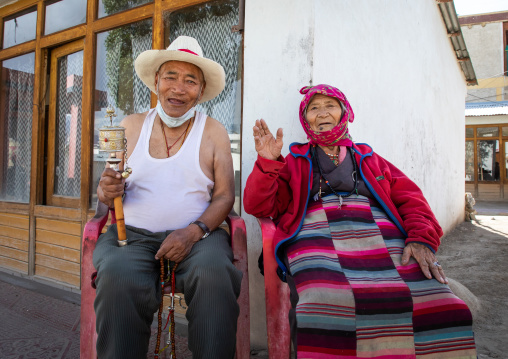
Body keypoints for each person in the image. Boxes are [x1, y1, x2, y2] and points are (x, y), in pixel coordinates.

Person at [244, 84, 477, 358]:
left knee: (437, 300)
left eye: (330, 106)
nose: (322, 114)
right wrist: (267, 162)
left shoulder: (369, 158)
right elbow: (257, 205)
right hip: (314, 235)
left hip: (380, 234)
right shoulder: (296, 160)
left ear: (345, 112)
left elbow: (412, 199)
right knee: (322, 302)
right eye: (313, 108)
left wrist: (420, 238)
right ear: (305, 118)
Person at [93, 36, 242, 359]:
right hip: (129, 237)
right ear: (156, 81)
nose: (179, 88)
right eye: (171, 77)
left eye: (190, 81)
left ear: (200, 91)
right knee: (118, 276)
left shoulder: (213, 131)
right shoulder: (131, 126)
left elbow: (225, 196)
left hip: (200, 237)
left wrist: (193, 232)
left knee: (214, 274)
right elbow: (106, 189)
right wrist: (106, 190)